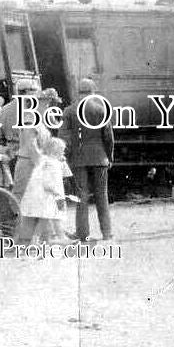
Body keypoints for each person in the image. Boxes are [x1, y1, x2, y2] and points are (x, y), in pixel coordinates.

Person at [60, 78, 114, 242]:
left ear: (78, 92)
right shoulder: (101, 109)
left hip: (78, 159)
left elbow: (64, 137)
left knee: (81, 196)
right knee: (102, 195)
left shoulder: (69, 111)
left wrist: (67, 156)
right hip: (100, 158)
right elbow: (108, 137)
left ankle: (82, 234)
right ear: (93, 92)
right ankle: (107, 233)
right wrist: (109, 156)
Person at [13, 92, 54, 243]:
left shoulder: (39, 120)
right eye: (46, 103)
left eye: (49, 103)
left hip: (34, 163)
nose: (48, 106)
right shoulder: (30, 119)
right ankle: (20, 238)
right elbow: (31, 145)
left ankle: (40, 237)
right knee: (23, 200)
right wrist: (41, 164)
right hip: (28, 164)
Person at [32, 137, 71, 243]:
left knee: (55, 217)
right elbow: (44, 179)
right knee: (47, 218)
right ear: (55, 150)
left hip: (57, 194)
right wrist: (51, 189)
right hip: (50, 194)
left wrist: (64, 163)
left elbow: (67, 174)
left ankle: (61, 237)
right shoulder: (47, 162)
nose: (63, 152)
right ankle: (35, 240)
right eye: (62, 150)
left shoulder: (57, 162)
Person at [0, 79, 38, 175]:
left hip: (12, 154)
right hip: (30, 153)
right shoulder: (32, 110)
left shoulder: (4, 109)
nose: (36, 94)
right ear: (26, 92)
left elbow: (0, 134)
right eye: (34, 91)